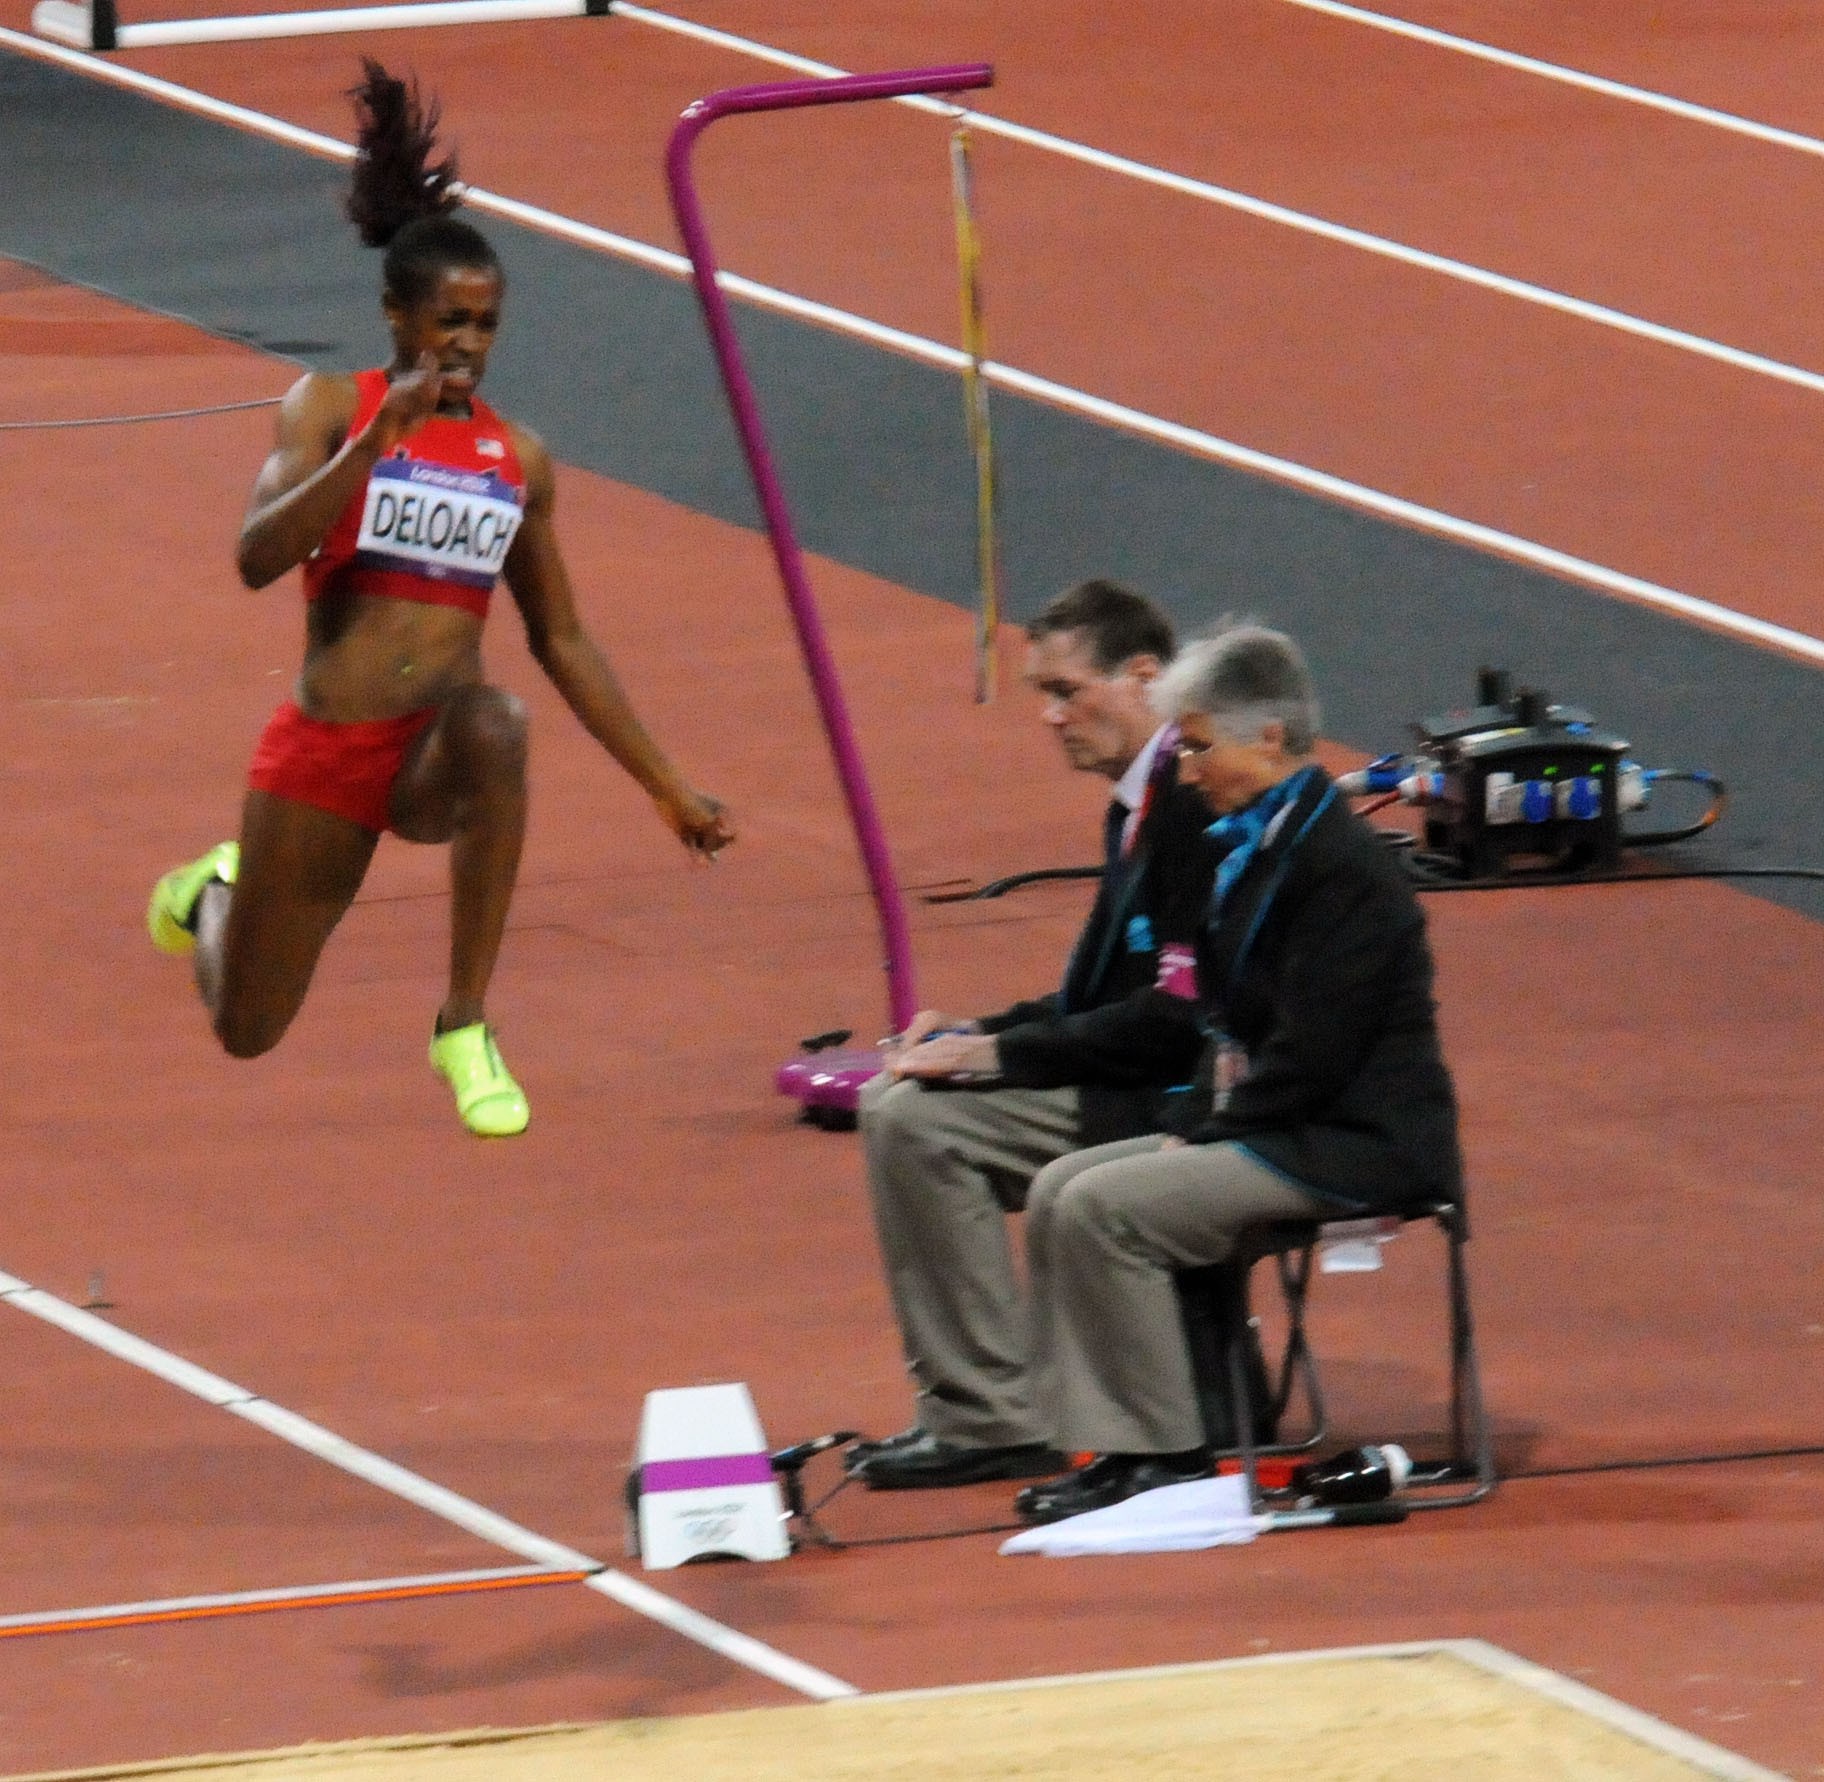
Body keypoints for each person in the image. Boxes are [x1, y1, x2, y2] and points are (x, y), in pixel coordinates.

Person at [145, 64, 732, 1136]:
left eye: (485, 324)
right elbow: (255, 556)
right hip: (328, 749)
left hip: (429, 752)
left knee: (498, 722)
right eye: (448, 322)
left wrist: (666, 786)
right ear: (396, 316)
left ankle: (464, 1020)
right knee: (247, 1027)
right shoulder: (329, 407)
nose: (465, 344)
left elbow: (561, 637)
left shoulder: (517, 459)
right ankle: (214, 893)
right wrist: (374, 445)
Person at [1010, 620, 1464, 1525]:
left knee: (1109, 1204)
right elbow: (1217, 1013)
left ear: (1268, 737)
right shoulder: (1251, 848)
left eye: (1199, 747)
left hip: (1353, 1141)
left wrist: (1206, 1128)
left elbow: (1314, 1056)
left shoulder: (1343, 872)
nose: (1185, 769)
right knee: (1063, 1185)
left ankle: (1171, 1457)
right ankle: (1110, 1448)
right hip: (1286, 1120)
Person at [849, 579, 1213, 1490]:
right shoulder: (1137, 803)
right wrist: (975, 1033)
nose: (1050, 718)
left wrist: (999, 1057)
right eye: (1041, 696)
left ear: (1144, 676)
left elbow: (1174, 1020)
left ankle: (989, 1418)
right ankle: (983, 1410)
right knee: (903, 1098)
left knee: (914, 1122)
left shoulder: (1195, 803)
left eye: (1066, 691)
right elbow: (1100, 996)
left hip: (1186, 1097)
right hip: (1136, 1075)